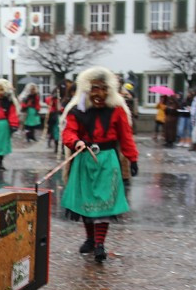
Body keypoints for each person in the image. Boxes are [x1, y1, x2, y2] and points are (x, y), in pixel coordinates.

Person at [60, 67, 139, 263]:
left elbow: (125, 136)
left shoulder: (117, 110)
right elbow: (68, 132)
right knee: (86, 203)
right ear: (87, 89)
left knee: (104, 203)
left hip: (107, 160)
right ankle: (90, 238)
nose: (100, 93)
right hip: (85, 158)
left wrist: (133, 158)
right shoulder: (76, 110)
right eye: (95, 88)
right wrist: (76, 142)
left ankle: (99, 244)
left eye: (104, 88)